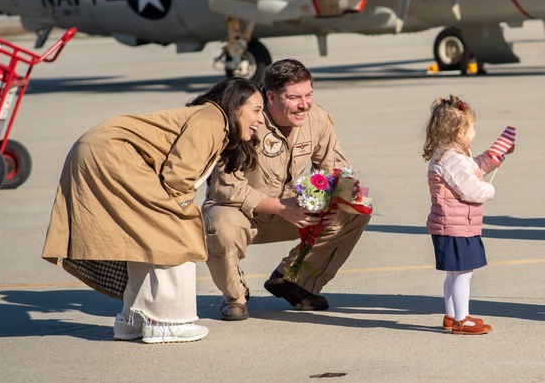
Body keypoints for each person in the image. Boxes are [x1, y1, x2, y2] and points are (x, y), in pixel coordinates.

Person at [42, 78, 265, 343]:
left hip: (100, 151)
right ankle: (166, 322)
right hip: (112, 154)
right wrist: (180, 213)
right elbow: (178, 177)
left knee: (147, 237)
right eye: (256, 110)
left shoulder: (213, 120)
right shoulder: (212, 119)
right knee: (176, 232)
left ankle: (133, 319)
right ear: (235, 106)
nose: (260, 120)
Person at [203, 59, 369, 320]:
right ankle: (234, 297)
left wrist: (334, 198)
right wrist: (281, 207)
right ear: (271, 97)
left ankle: (292, 280)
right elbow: (225, 187)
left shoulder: (317, 118)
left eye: (309, 94)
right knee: (220, 225)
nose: (305, 104)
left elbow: (336, 168)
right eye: (294, 98)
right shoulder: (245, 118)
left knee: (353, 211)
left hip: (290, 210)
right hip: (241, 212)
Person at [424, 95, 511, 335]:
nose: (475, 131)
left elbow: (474, 167)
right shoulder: (452, 159)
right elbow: (470, 188)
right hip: (456, 226)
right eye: (472, 127)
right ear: (460, 132)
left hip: (450, 225)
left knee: (454, 274)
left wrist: (497, 156)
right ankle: (463, 319)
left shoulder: (450, 154)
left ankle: (452, 315)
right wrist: (489, 190)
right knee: (464, 273)